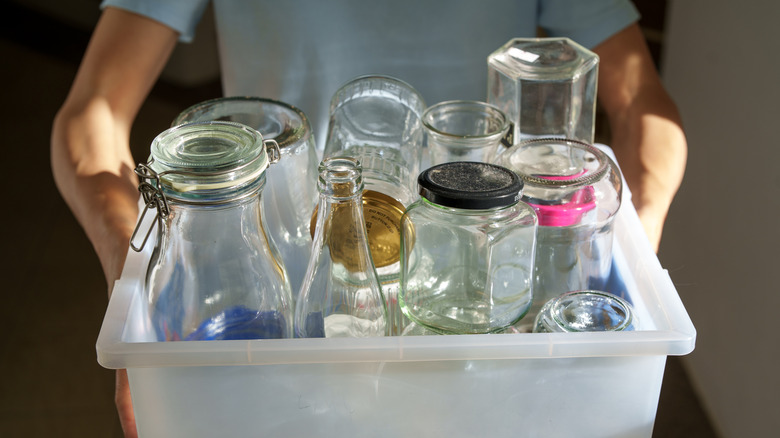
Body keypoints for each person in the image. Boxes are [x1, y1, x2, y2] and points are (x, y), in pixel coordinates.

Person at [50, 1, 687, 436]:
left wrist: (635, 254)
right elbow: (91, 114)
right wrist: (130, 276)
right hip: (289, 279)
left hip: (478, 303)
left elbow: (646, 107)